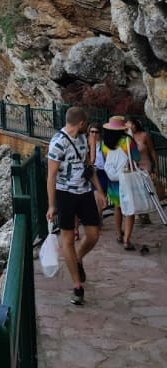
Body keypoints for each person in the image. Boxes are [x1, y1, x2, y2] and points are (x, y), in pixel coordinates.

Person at [46, 106, 108, 305]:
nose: (87, 126)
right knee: (67, 239)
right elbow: (51, 176)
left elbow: (88, 166)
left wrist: (99, 191)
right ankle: (77, 286)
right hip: (65, 194)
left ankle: (78, 258)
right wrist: (51, 206)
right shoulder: (57, 143)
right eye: (86, 123)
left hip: (84, 192)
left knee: (93, 234)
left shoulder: (82, 139)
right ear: (81, 123)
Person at [101, 115, 140, 250]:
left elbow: (105, 159)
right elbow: (136, 158)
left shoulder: (104, 143)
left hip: (113, 181)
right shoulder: (127, 141)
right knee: (130, 210)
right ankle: (126, 239)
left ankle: (119, 234)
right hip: (126, 179)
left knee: (117, 207)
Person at [124, 116, 158, 225]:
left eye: (132, 124)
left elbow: (152, 150)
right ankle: (141, 213)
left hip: (145, 164)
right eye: (129, 124)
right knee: (136, 189)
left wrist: (156, 166)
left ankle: (145, 212)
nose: (131, 127)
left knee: (145, 189)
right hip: (133, 166)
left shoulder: (144, 135)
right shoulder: (127, 137)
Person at [88, 123, 108, 221]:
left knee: (99, 198)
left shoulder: (104, 145)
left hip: (101, 173)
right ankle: (96, 220)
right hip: (90, 173)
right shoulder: (86, 144)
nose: (94, 134)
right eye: (92, 132)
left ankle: (98, 219)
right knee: (93, 198)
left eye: (96, 132)